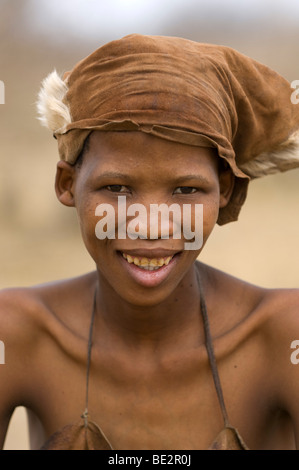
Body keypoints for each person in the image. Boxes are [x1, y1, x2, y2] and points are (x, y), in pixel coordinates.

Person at [1, 34, 299, 451]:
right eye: (118, 186)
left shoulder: (284, 337)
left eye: (186, 191)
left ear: (225, 190)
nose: (151, 225)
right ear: (68, 184)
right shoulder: (15, 334)